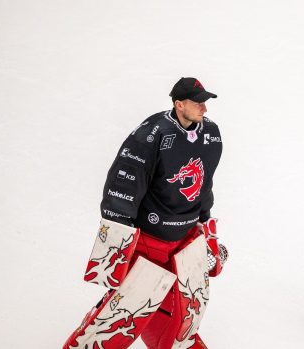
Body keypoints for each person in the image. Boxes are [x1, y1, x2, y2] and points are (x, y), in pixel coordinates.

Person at [63, 77, 226, 349]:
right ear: (178, 104)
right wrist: (117, 239)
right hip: (148, 242)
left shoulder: (211, 134)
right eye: (198, 103)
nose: (204, 109)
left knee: (187, 309)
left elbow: (204, 183)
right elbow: (124, 181)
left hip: (185, 240)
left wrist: (205, 224)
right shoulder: (152, 134)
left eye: (205, 102)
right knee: (127, 308)